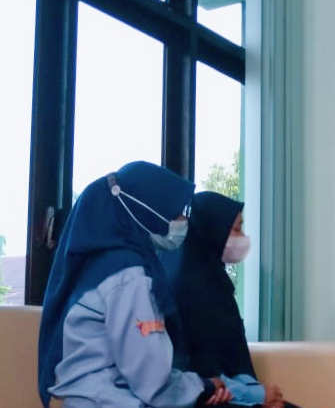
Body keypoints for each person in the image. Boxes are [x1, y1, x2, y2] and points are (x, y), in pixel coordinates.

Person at [38, 161, 233, 408]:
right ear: (147, 211)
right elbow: (153, 383)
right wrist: (205, 386)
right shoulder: (129, 276)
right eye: (175, 211)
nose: (183, 220)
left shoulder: (97, 268)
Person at [160, 191, 296, 408]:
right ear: (213, 229)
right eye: (236, 229)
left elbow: (231, 358)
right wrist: (255, 395)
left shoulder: (215, 281)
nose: (242, 237)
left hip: (228, 392)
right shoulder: (186, 287)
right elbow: (196, 372)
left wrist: (256, 392)